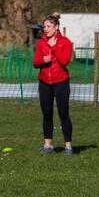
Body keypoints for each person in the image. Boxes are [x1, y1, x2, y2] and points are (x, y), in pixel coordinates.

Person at [33, 12, 73, 155]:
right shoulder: (41, 43)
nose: (46, 29)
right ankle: (48, 145)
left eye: (49, 26)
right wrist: (43, 60)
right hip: (44, 83)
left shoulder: (66, 42)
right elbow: (35, 63)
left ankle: (68, 146)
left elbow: (65, 61)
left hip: (61, 82)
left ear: (56, 27)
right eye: (44, 26)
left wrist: (55, 47)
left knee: (63, 114)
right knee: (47, 114)